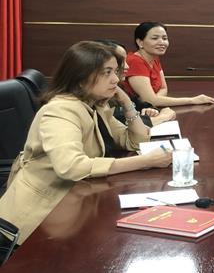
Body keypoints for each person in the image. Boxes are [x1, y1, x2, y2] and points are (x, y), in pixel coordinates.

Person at [0, 41, 173, 244]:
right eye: (107, 72)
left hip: (75, 200)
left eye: (115, 71)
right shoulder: (61, 110)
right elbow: (71, 166)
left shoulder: (94, 104)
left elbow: (133, 141)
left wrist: (127, 103)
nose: (116, 79)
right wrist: (145, 161)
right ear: (81, 78)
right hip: (40, 216)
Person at [122, 21, 214, 107]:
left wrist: (155, 100)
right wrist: (193, 100)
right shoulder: (135, 61)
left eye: (164, 38)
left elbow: (163, 89)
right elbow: (150, 101)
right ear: (140, 42)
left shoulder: (154, 58)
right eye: (155, 38)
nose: (162, 42)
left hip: (150, 109)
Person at [94, 39, 176, 127]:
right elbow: (123, 125)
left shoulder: (119, 87)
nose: (127, 66)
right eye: (121, 61)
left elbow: (139, 104)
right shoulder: (98, 97)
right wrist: (162, 117)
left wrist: (149, 110)